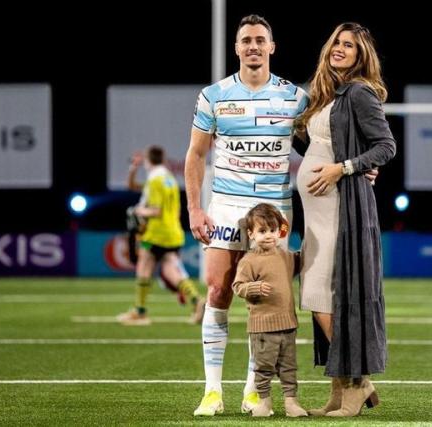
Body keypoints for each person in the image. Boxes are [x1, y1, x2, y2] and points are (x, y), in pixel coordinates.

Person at [184, 14, 309, 416]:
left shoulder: (295, 97)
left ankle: (255, 390)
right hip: (226, 206)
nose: (253, 46)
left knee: (267, 302)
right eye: (246, 41)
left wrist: (359, 166)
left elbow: (317, 148)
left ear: (272, 47)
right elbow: (196, 155)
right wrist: (194, 207)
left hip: (273, 213)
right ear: (236, 48)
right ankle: (213, 392)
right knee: (218, 292)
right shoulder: (214, 95)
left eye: (260, 40)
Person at [294, 22, 396, 417]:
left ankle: (358, 382)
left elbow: (385, 146)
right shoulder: (324, 94)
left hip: (341, 209)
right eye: (337, 42)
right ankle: (340, 388)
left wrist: (345, 168)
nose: (340, 49)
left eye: (349, 45)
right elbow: (315, 143)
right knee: (321, 296)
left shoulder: (359, 93)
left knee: (323, 295)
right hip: (316, 213)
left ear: (360, 54)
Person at [231, 203, 308, 417]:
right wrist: (254, 287)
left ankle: (291, 403)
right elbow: (237, 286)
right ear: (251, 234)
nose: (269, 236)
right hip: (263, 327)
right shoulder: (249, 261)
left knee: (289, 367)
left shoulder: (285, 256)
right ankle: (264, 403)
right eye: (262, 231)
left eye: (273, 230)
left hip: (288, 324)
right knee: (264, 367)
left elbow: (303, 259)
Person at [117, 146, 206, 326]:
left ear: (148, 161)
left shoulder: (154, 180)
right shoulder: (168, 178)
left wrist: (138, 210)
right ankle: (196, 300)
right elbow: (133, 186)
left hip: (156, 234)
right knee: (170, 269)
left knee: (144, 266)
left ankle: (140, 311)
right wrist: (133, 170)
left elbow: (155, 211)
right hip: (173, 232)